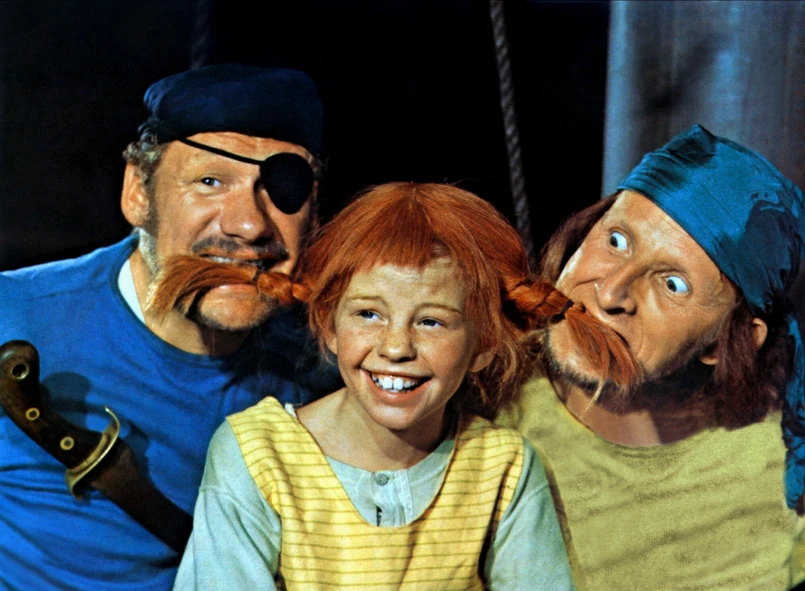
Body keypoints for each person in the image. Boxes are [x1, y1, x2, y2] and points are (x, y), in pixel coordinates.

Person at [172, 182, 639, 590]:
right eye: (368, 314)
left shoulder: (503, 467)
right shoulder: (257, 454)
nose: (396, 348)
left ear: (484, 345)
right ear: (330, 327)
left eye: (432, 321)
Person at [0, 64, 340, 591]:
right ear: (139, 193)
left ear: (313, 217)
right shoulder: (13, 316)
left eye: (282, 189)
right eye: (210, 181)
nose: (248, 224)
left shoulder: (328, 376)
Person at [499, 124, 805, 590]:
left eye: (673, 284)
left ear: (727, 340)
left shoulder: (778, 472)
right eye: (616, 241)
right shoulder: (473, 387)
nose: (611, 293)